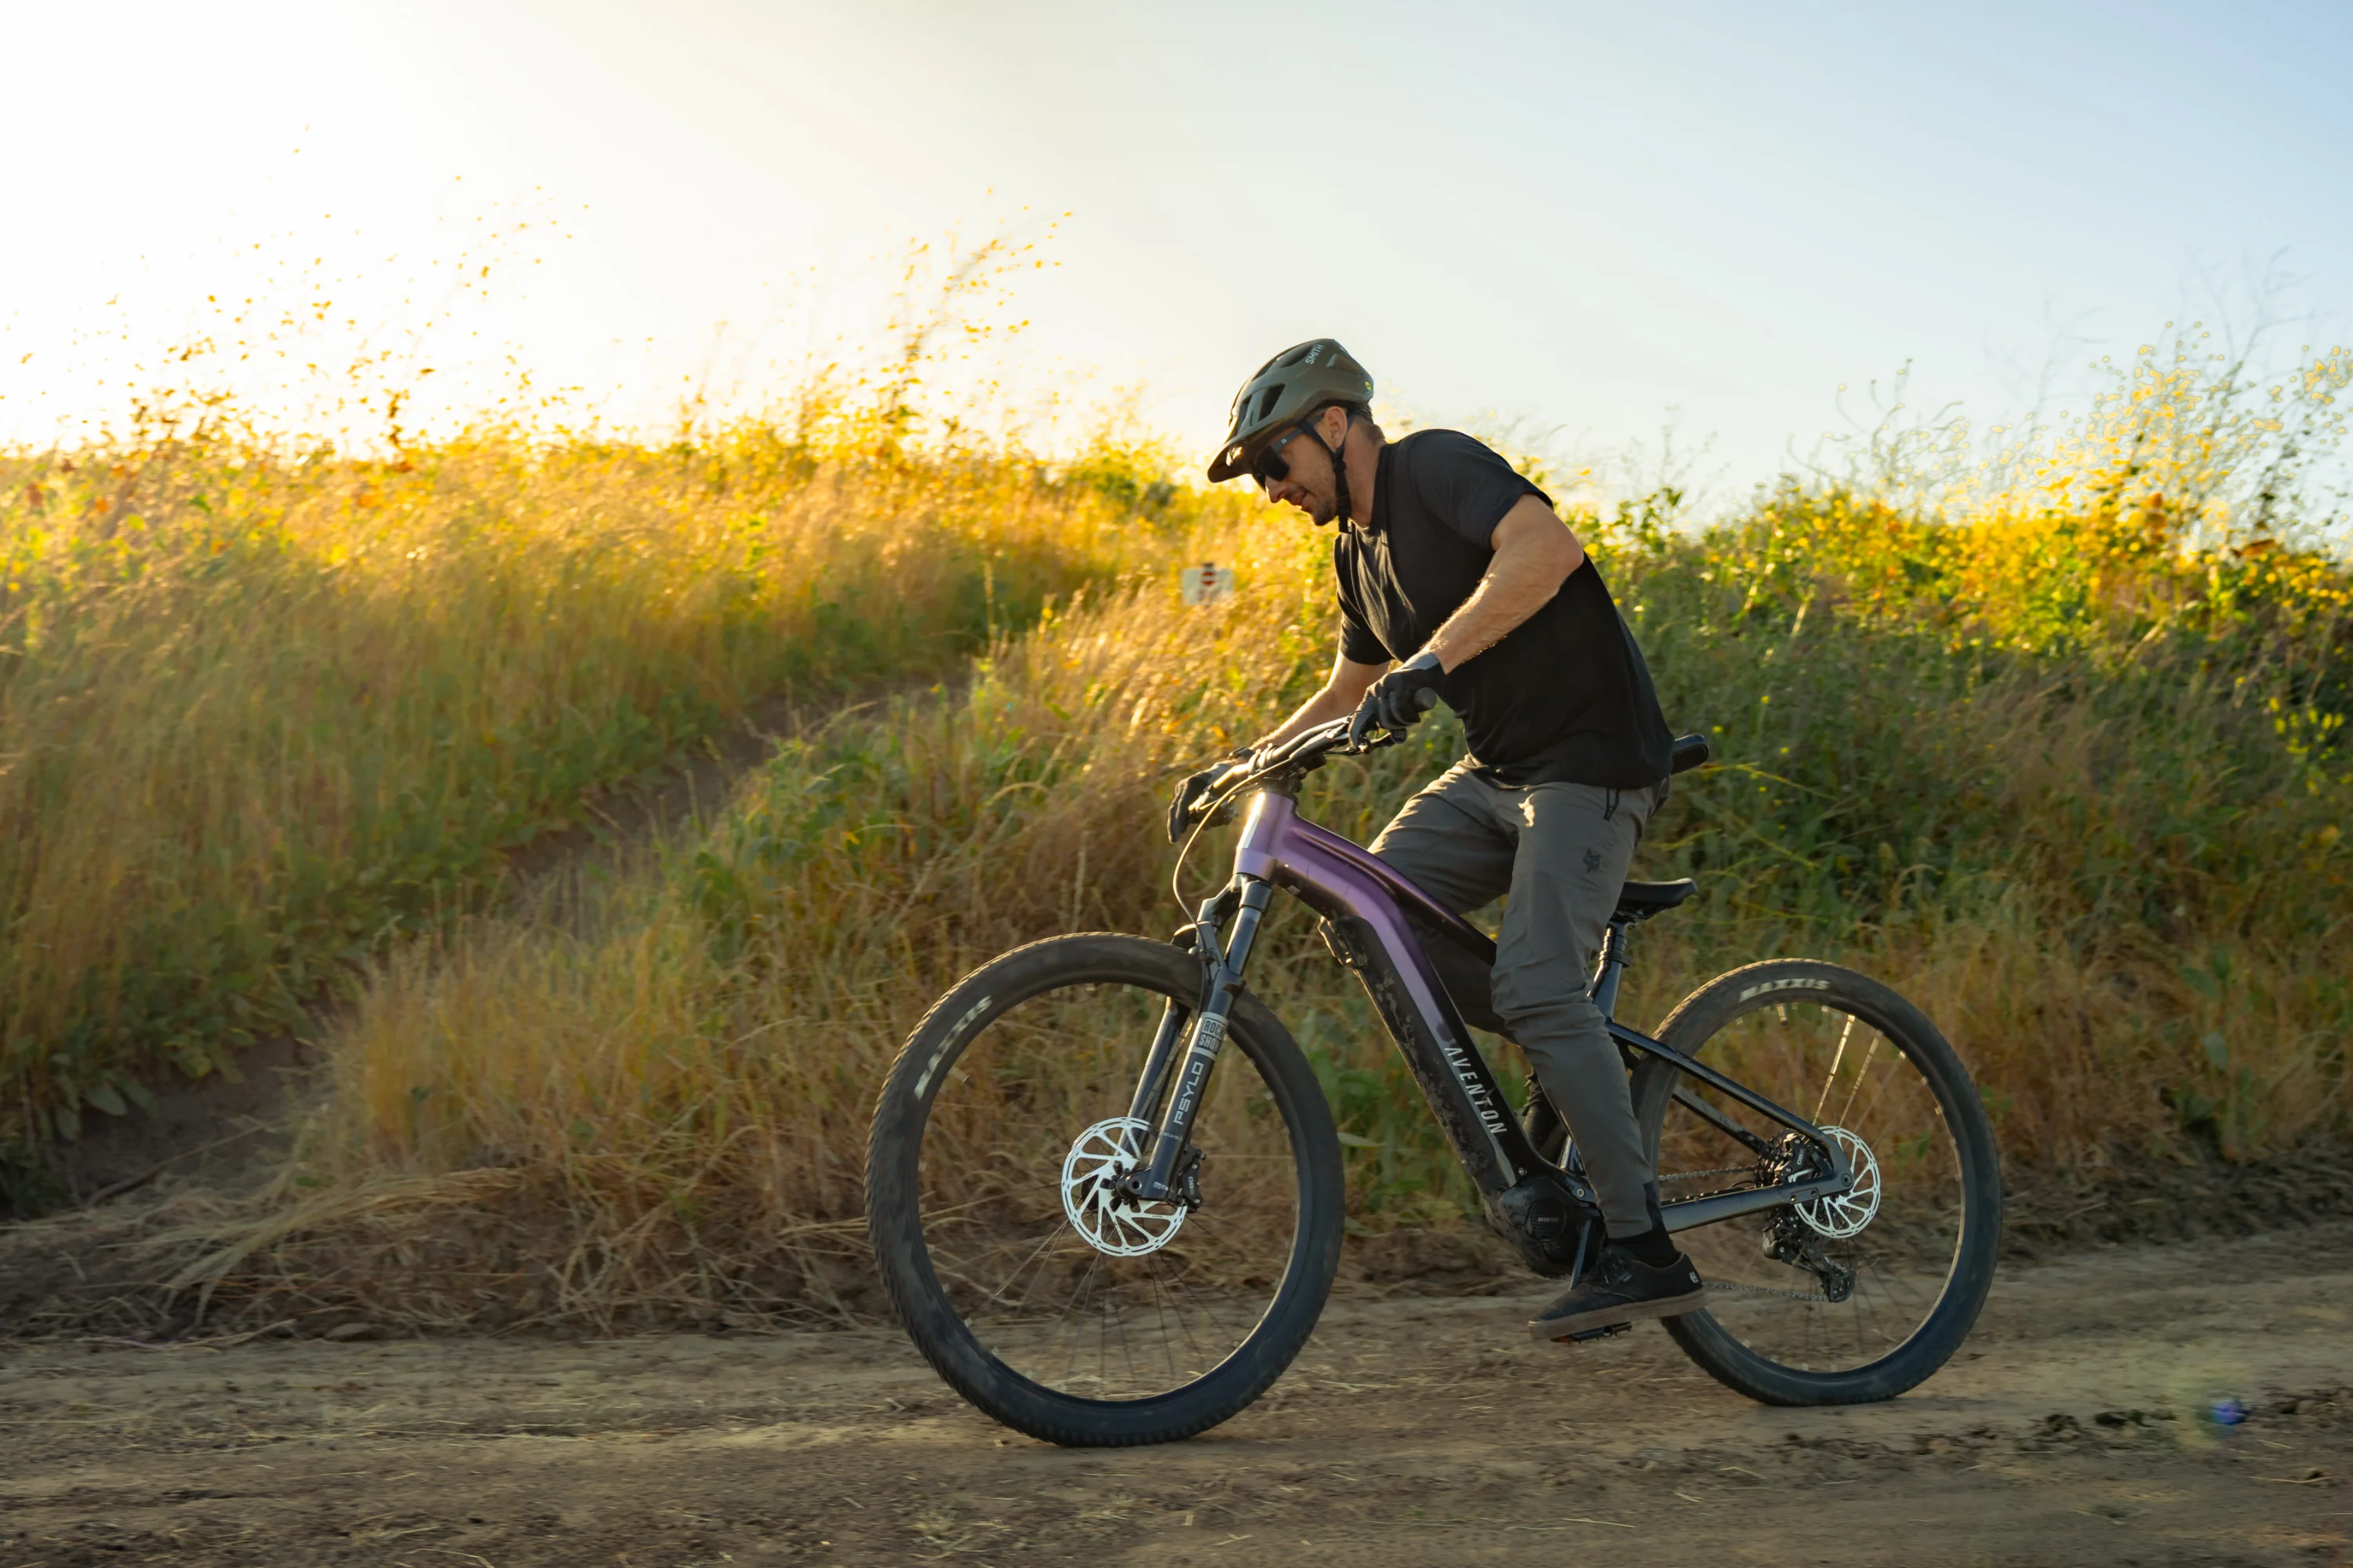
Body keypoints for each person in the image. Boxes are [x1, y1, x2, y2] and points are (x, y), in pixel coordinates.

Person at [1203, 339, 1704, 1341]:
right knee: (1368, 912)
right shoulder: (1355, 555)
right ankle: (1569, 1044)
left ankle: (1647, 1252)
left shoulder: (1435, 467)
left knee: (1533, 988)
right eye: (1258, 474)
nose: (1267, 489)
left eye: (1274, 462)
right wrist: (1241, 765)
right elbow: (1347, 692)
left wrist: (1429, 663)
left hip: (1590, 764)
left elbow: (1545, 550)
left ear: (1335, 425)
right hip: (1499, 775)